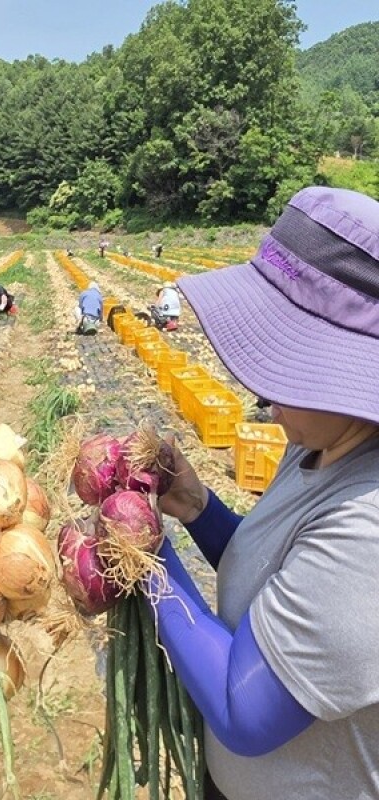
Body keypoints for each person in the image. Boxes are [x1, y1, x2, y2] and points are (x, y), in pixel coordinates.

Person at [146, 186, 379, 800]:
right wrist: (199, 509)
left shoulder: (369, 523)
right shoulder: (319, 442)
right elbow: (280, 579)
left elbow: (244, 708)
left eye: (286, 363)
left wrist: (148, 560)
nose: (262, 391)